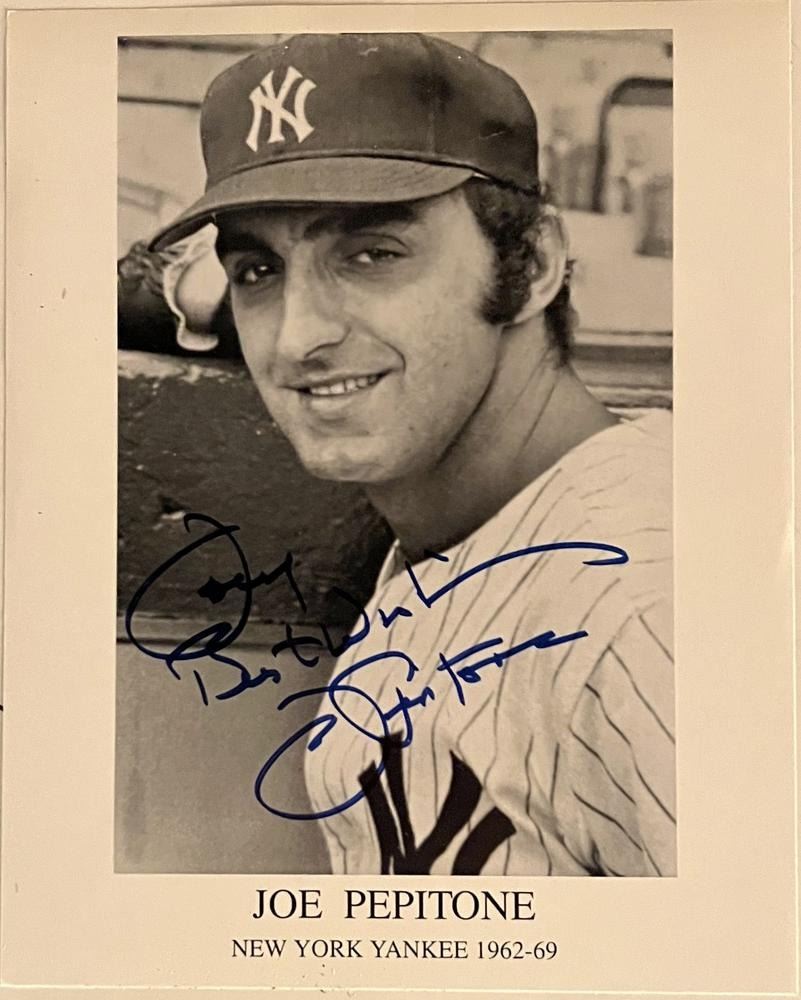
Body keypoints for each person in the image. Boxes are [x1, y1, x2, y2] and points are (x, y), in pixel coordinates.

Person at [150, 32, 674, 877]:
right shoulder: (477, 522)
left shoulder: (645, 605)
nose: (296, 338)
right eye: (258, 271)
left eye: (372, 254)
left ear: (531, 263)